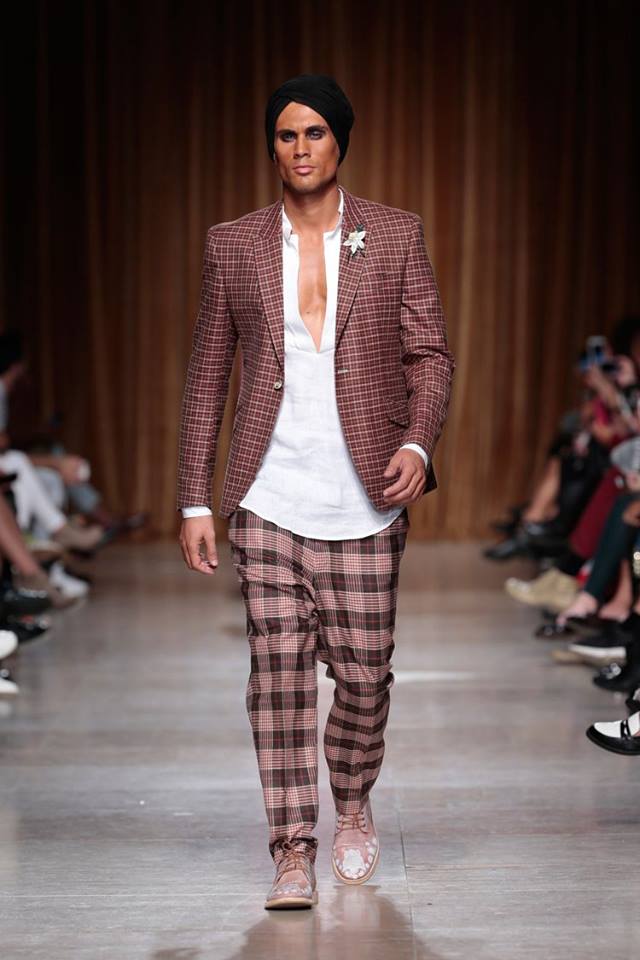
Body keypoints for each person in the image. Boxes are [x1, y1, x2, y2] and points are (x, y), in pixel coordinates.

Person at [176, 73, 454, 909]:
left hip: (366, 496)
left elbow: (429, 355)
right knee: (279, 677)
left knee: (365, 677)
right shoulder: (233, 244)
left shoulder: (395, 234)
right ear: (273, 146)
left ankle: (354, 800)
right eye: (286, 135)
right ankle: (291, 847)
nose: (300, 149)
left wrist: (417, 440)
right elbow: (207, 373)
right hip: (268, 494)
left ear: (341, 141)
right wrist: (195, 498)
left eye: (315, 133)